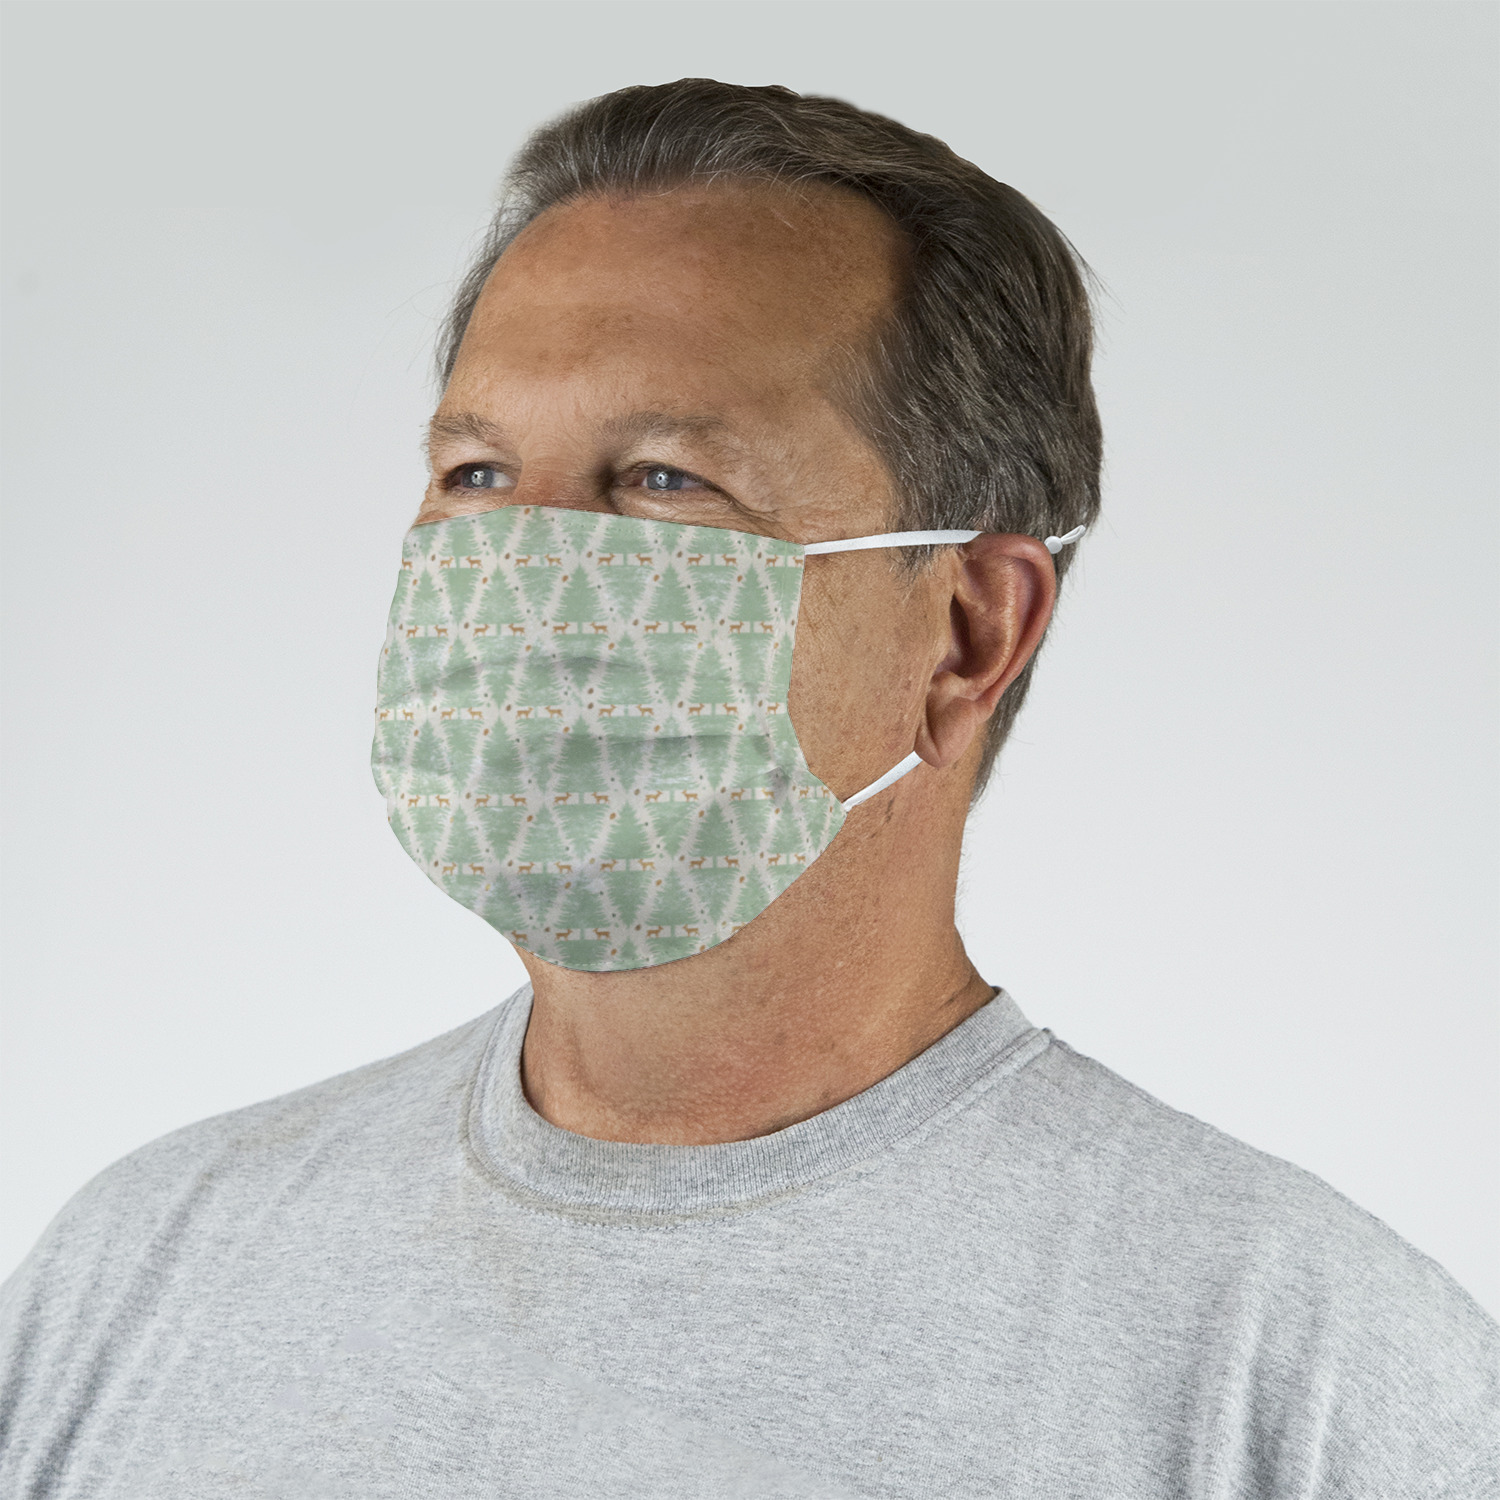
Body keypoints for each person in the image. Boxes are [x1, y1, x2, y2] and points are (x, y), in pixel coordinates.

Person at [2, 78, 1494, 1499]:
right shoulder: (139, 1270)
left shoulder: (1295, 1375)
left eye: (666, 481)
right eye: (475, 476)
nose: (519, 576)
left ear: (969, 632)